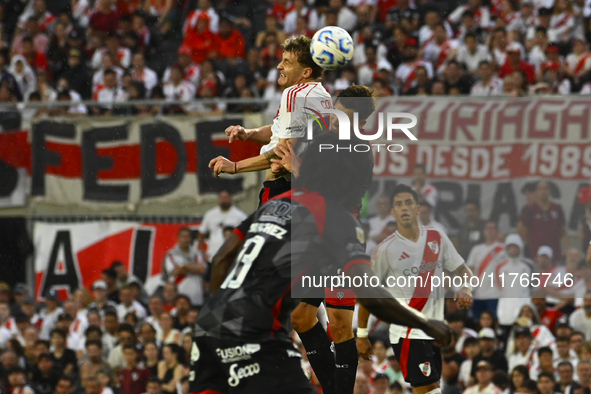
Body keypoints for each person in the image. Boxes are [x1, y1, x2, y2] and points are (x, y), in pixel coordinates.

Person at [191, 132, 453, 394]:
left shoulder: (277, 204)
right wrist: (427, 324)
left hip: (208, 332)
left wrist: (221, 313)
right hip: (258, 337)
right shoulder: (336, 218)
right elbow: (372, 296)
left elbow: (222, 259)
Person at [358, 183, 473, 394]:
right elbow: (368, 293)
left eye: (408, 203)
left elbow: (464, 270)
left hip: (434, 331)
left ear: (418, 208)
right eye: (398, 204)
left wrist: (466, 288)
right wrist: (362, 334)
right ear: (392, 211)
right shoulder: (385, 250)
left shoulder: (437, 237)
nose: (404, 208)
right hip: (408, 332)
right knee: (430, 392)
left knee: (431, 390)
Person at [208, 35, 332, 208]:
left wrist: (235, 166)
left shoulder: (294, 94)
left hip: (280, 189)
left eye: (287, 62)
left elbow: (282, 151)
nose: (279, 66)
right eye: (282, 60)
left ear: (306, 72)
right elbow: (285, 131)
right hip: (307, 189)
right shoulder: (322, 95)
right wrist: (250, 133)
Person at [518, 180, 567, 259]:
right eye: (540, 189)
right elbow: (523, 229)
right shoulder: (530, 209)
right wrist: (533, 241)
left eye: (545, 189)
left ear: (550, 191)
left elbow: (562, 230)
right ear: (536, 192)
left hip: (555, 251)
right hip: (536, 252)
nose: (543, 192)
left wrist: (565, 248)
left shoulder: (557, 208)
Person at [466, 221, 505, 319]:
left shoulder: (503, 248)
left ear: (497, 231)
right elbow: (469, 269)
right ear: (484, 231)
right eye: (488, 228)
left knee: (495, 320)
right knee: (477, 321)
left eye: (493, 229)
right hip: (479, 293)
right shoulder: (476, 249)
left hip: (496, 293)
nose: (490, 231)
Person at [162, 228, 207, 307]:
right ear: (178, 238)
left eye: (187, 237)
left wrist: (184, 266)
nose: (185, 239)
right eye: (183, 237)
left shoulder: (197, 253)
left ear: (191, 239)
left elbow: (202, 269)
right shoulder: (171, 254)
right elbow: (175, 272)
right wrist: (194, 267)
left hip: (196, 296)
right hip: (179, 294)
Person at [197, 191, 247, 258]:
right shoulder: (210, 214)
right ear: (218, 199)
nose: (224, 200)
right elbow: (201, 233)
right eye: (221, 198)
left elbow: (247, 234)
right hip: (213, 256)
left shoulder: (240, 216)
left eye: (226, 198)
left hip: (232, 256)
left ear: (231, 199)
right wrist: (203, 252)